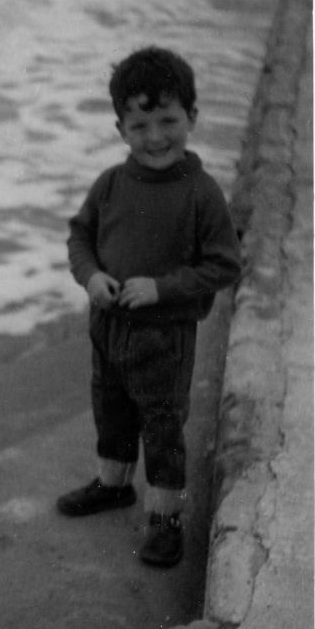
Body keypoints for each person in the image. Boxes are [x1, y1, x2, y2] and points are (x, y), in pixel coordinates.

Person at [58, 46, 241, 568]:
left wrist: (163, 288)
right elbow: (80, 238)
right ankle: (113, 484)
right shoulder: (110, 184)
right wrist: (90, 276)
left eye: (169, 120)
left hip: (164, 338)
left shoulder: (202, 194)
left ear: (192, 119)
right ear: (121, 130)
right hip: (107, 327)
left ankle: (167, 521)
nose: (156, 137)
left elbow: (226, 265)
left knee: (163, 430)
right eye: (140, 125)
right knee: (110, 411)